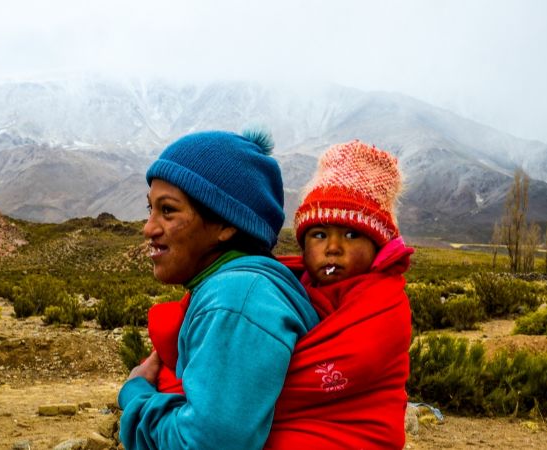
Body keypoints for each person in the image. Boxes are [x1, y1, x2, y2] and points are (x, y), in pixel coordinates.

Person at [118, 128, 320, 450]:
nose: (148, 228)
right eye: (150, 209)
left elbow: (205, 444)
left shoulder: (235, 299)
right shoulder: (240, 288)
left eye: (168, 210)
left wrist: (135, 394)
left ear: (226, 224)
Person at [265, 140, 414, 449]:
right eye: (319, 235)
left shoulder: (385, 303)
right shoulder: (287, 285)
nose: (333, 247)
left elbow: (337, 370)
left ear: (377, 247)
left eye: (350, 234)